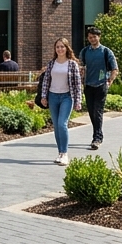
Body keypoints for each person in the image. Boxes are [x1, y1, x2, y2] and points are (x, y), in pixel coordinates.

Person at [38, 38, 83, 166]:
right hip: (53, 96)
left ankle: (65, 153)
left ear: (67, 48)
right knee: (56, 126)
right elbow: (46, 81)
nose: (60, 49)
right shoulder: (52, 63)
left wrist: (78, 100)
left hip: (67, 97)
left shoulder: (72, 64)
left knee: (62, 124)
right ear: (55, 49)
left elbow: (77, 84)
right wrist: (43, 96)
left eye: (62, 46)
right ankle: (60, 153)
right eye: (57, 47)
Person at [78, 26, 118, 150]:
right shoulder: (84, 52)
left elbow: (115, 69)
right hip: (89, 85)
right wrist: (80, 81)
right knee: (91, 111)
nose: (92, 39)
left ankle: (97, 138)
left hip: (101, 85)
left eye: (94, 37)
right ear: (88, 38)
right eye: (90, 37)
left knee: (98, 111)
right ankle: (97, 134)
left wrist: (109, 81)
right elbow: (81, 68)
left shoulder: (106, 52)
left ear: (99, 37)